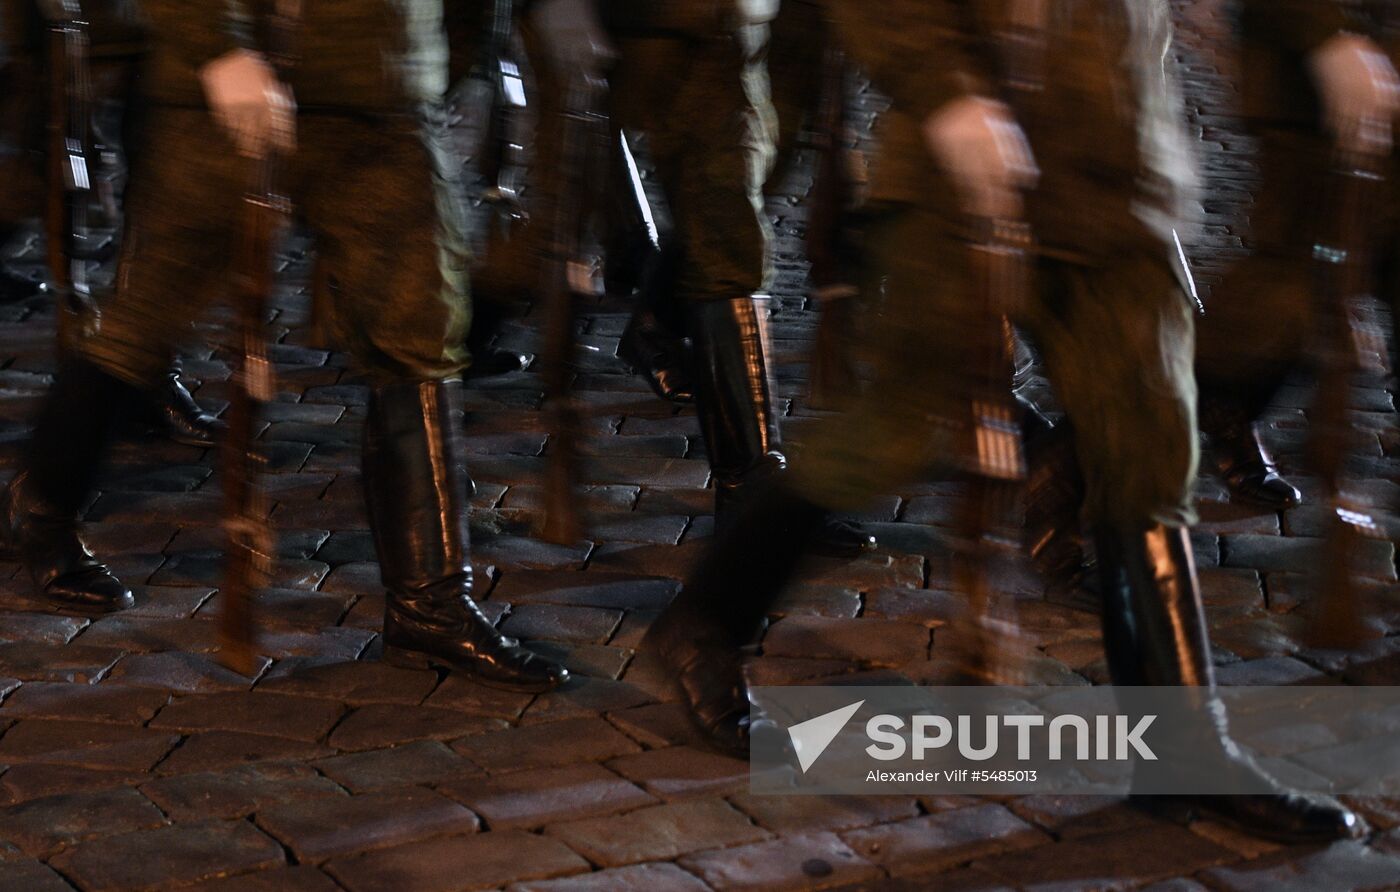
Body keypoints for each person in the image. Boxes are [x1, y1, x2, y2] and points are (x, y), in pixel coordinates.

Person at [644, 0, 1363, 842]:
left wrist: (1328, 38)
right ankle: (706, 623)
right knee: (889, 434)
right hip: (962, 166)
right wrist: (946, 91)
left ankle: (1186, 752)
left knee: (1149, 449)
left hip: (1117, 165)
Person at [0, 0, 568, 692]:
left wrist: (448, 54)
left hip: (385, 94)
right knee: (142, 323)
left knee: (420, 338)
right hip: (231, 97)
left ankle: (433, 603)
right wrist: (219, 46)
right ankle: (42, 507)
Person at [1193, 0, 1400, 509]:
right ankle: (1076, 462)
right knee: (1292, 294)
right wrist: (1324, 33)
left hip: (1372, 54)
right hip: (1323, 79)